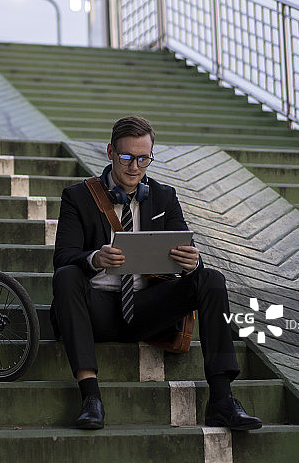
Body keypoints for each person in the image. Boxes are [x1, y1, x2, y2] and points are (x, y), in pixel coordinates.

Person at [51, 115, 261, 431]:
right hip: (96, 310)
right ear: (110, 152)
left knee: (211, 279)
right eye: (126, 157)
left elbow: (184, 247)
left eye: (143, 158)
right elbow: (63, 258)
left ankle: (222, 399)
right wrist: (96, 258)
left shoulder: (164, 196)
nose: (134, 166)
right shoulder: (78, 196)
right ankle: (90, 397)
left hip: (145, 308)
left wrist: (193, 261)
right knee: (66, 276)